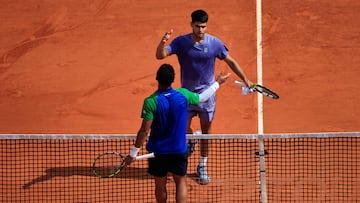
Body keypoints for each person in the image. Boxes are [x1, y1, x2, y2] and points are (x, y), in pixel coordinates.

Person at [155, 9, 253, 184]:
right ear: (191, 25)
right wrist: (163, 42)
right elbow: (160, 55)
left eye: (204, 27)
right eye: (198, 26)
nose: (201, 30)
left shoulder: (215, 43)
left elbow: (230, 61)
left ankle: (202, 165)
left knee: (206, 132)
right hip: (186, 96)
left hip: (207, 97)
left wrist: (246, 79)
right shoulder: (181, 42)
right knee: (181, 129)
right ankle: (192, 140)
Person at [124, 64, 230, 203]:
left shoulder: (150, 102)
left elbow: (144, 131)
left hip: (157, 152)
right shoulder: (183, 94)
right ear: (173, 80)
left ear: (157, 79)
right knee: (180, 182)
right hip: (179, 150)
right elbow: (202, 98)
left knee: (160, 185)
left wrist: (133, 154)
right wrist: (218, 82)